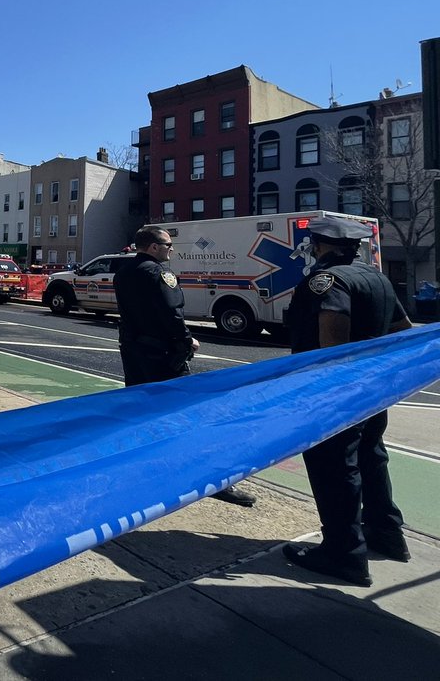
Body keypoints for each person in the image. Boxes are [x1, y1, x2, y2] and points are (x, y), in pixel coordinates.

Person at [281, 215, 413, 586]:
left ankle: (343, 553)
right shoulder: (377, 278)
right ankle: (387, 535)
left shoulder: (326, 281)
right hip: (372, 390)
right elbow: (401, 331)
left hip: (334, 393)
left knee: (334, 468)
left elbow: (331, 342)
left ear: (320, 246)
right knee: (372, 458)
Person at [114, 225, 257, 508]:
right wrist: (187, 340)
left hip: (134, 352)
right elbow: (171, 312)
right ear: (153, 247)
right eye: (167, 245)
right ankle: (213, 479)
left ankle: (147, 473)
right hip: (163, 354)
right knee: (190, 417)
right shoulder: (159, 274)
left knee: (142, 415)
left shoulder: (123, 273)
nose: (171, 249)